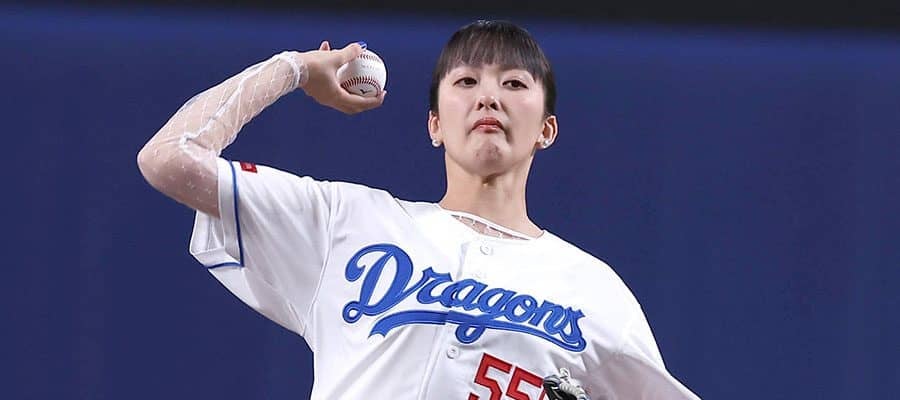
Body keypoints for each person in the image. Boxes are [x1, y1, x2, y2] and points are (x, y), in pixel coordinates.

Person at [137, 20, 700, 400]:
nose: (488, 96)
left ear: (546, 130)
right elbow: (168, 158)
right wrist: (295, 68)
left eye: (513, 83)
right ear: (434, 125)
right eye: (466, 81)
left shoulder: (595, 291)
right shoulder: (345, 221)